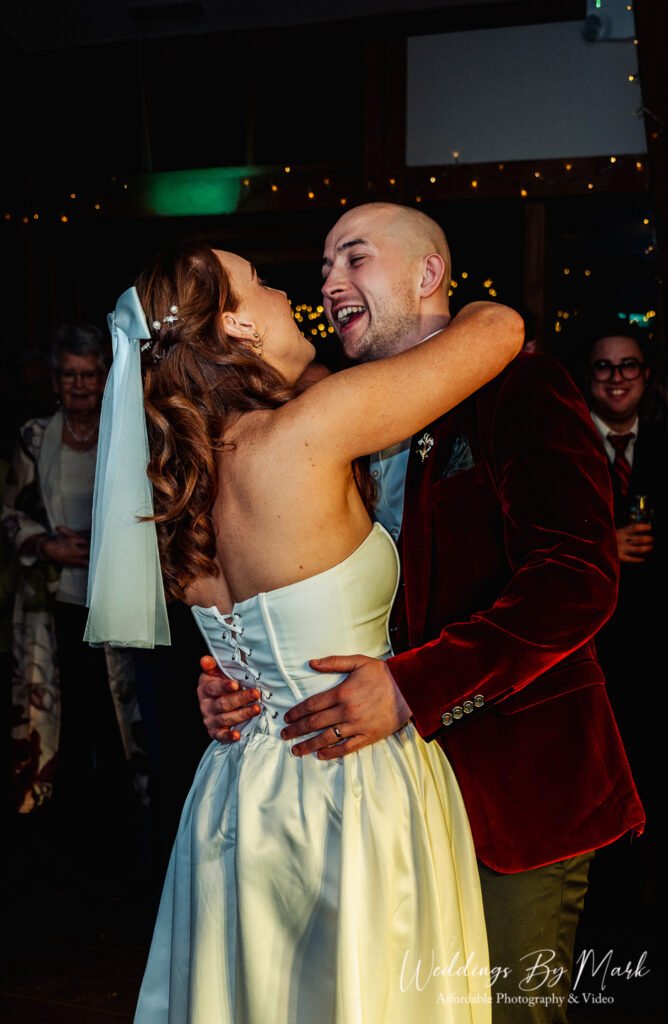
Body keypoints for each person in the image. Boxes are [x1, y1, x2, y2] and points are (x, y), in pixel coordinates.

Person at [198, 203, 645, 1022]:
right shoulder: (335, 415)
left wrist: (414, 687)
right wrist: (238, 678)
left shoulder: (521, 385)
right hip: (381, 807)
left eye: (353, 259)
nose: (328, 284)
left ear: (428, 275)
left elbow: (576, 578)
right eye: (324, 267)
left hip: (513, 791)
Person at [86, 239, 523, 1023]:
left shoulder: (170, 486)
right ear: (236, 326)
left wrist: (216, 679)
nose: (294, 294)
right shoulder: (311, 431)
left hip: (235, 792)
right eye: (262, 283)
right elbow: (498, 329)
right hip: (350, 783)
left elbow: (244, 637)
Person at [1, 325, 146, 866]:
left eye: (91, 374)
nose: (81, 385)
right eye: (70, 374)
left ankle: (123, 829)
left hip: (117, 604)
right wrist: (43, 543)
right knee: (65, 719)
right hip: (54, 604)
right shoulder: (34, 438)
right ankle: (63, 834)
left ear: (106, 378)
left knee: (117, 720)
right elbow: (9, 511)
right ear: (55, 380)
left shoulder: (130, 432)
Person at [582, 326, 665, 953]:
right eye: (604, 368)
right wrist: (600, 548)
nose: (616, 378)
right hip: (586, 650)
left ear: (646, 377)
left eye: (628, 367)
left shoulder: (660, 446)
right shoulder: (563, 443)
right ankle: (598, 922)